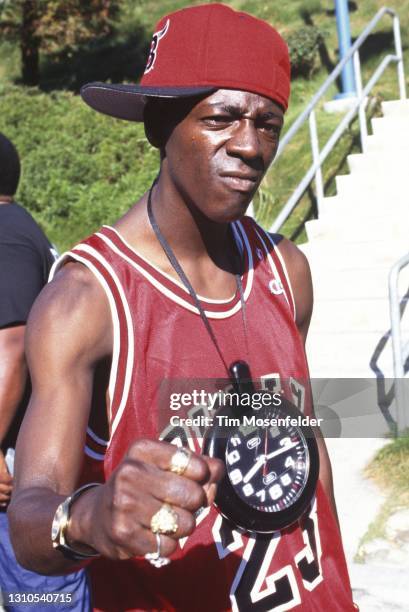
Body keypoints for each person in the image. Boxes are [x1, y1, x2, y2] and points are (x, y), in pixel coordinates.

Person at [8, 4, 357, 611]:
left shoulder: (285, 272)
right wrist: (90, 516)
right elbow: (30, 515)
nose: (249, 146)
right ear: (160, 125)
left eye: (268, 123)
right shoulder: (88, 301)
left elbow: (309, 442)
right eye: (221, 118)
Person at [0, 133, 90, 611]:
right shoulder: (19, 228)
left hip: (18, 467)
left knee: (38, 599)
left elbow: (11, 345)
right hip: (27, 459)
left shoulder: (5, 232)